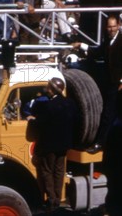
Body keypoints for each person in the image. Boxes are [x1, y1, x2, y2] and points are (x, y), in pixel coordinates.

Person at [73, 16, 122, 152]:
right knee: (107, 113)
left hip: (118, 84)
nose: (111, 29)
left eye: (113, 26)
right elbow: (99, 52)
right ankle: (106, 142)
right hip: (109, 83)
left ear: (118, 26)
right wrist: (82, 45)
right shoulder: (108, 40)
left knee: (109, 114)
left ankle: (100, 143)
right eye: (109, 27)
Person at [27, 77, 77, 212]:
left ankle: (51, 199)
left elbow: (41, 123)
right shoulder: (70, 103)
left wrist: (31, 120)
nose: (46, 90)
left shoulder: (48, 106)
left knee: (47, 171)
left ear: (53, 89)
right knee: (59, 171)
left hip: (49, 145)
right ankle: (58, 198)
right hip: (64, 144)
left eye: (48, 87)